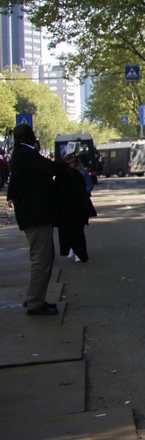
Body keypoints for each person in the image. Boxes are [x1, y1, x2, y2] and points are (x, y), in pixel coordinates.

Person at [7, 124, 71, 315]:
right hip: (36, 215)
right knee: (41, 260)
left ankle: (36, 298)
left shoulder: (20, 154)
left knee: (45, 257)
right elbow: (49, 168)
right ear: (29, 137)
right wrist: (65, 164)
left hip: (33, 214)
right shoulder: (26, 154)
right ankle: (35, 302)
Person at [56, 153, 95, 263]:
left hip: (79, 204)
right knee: (71, 229)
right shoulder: (62, 175)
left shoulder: (82, 173)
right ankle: (73, 249)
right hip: (68, 205)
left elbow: (89, 185)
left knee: (78, 229)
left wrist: (82, 193)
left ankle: (78, 251)